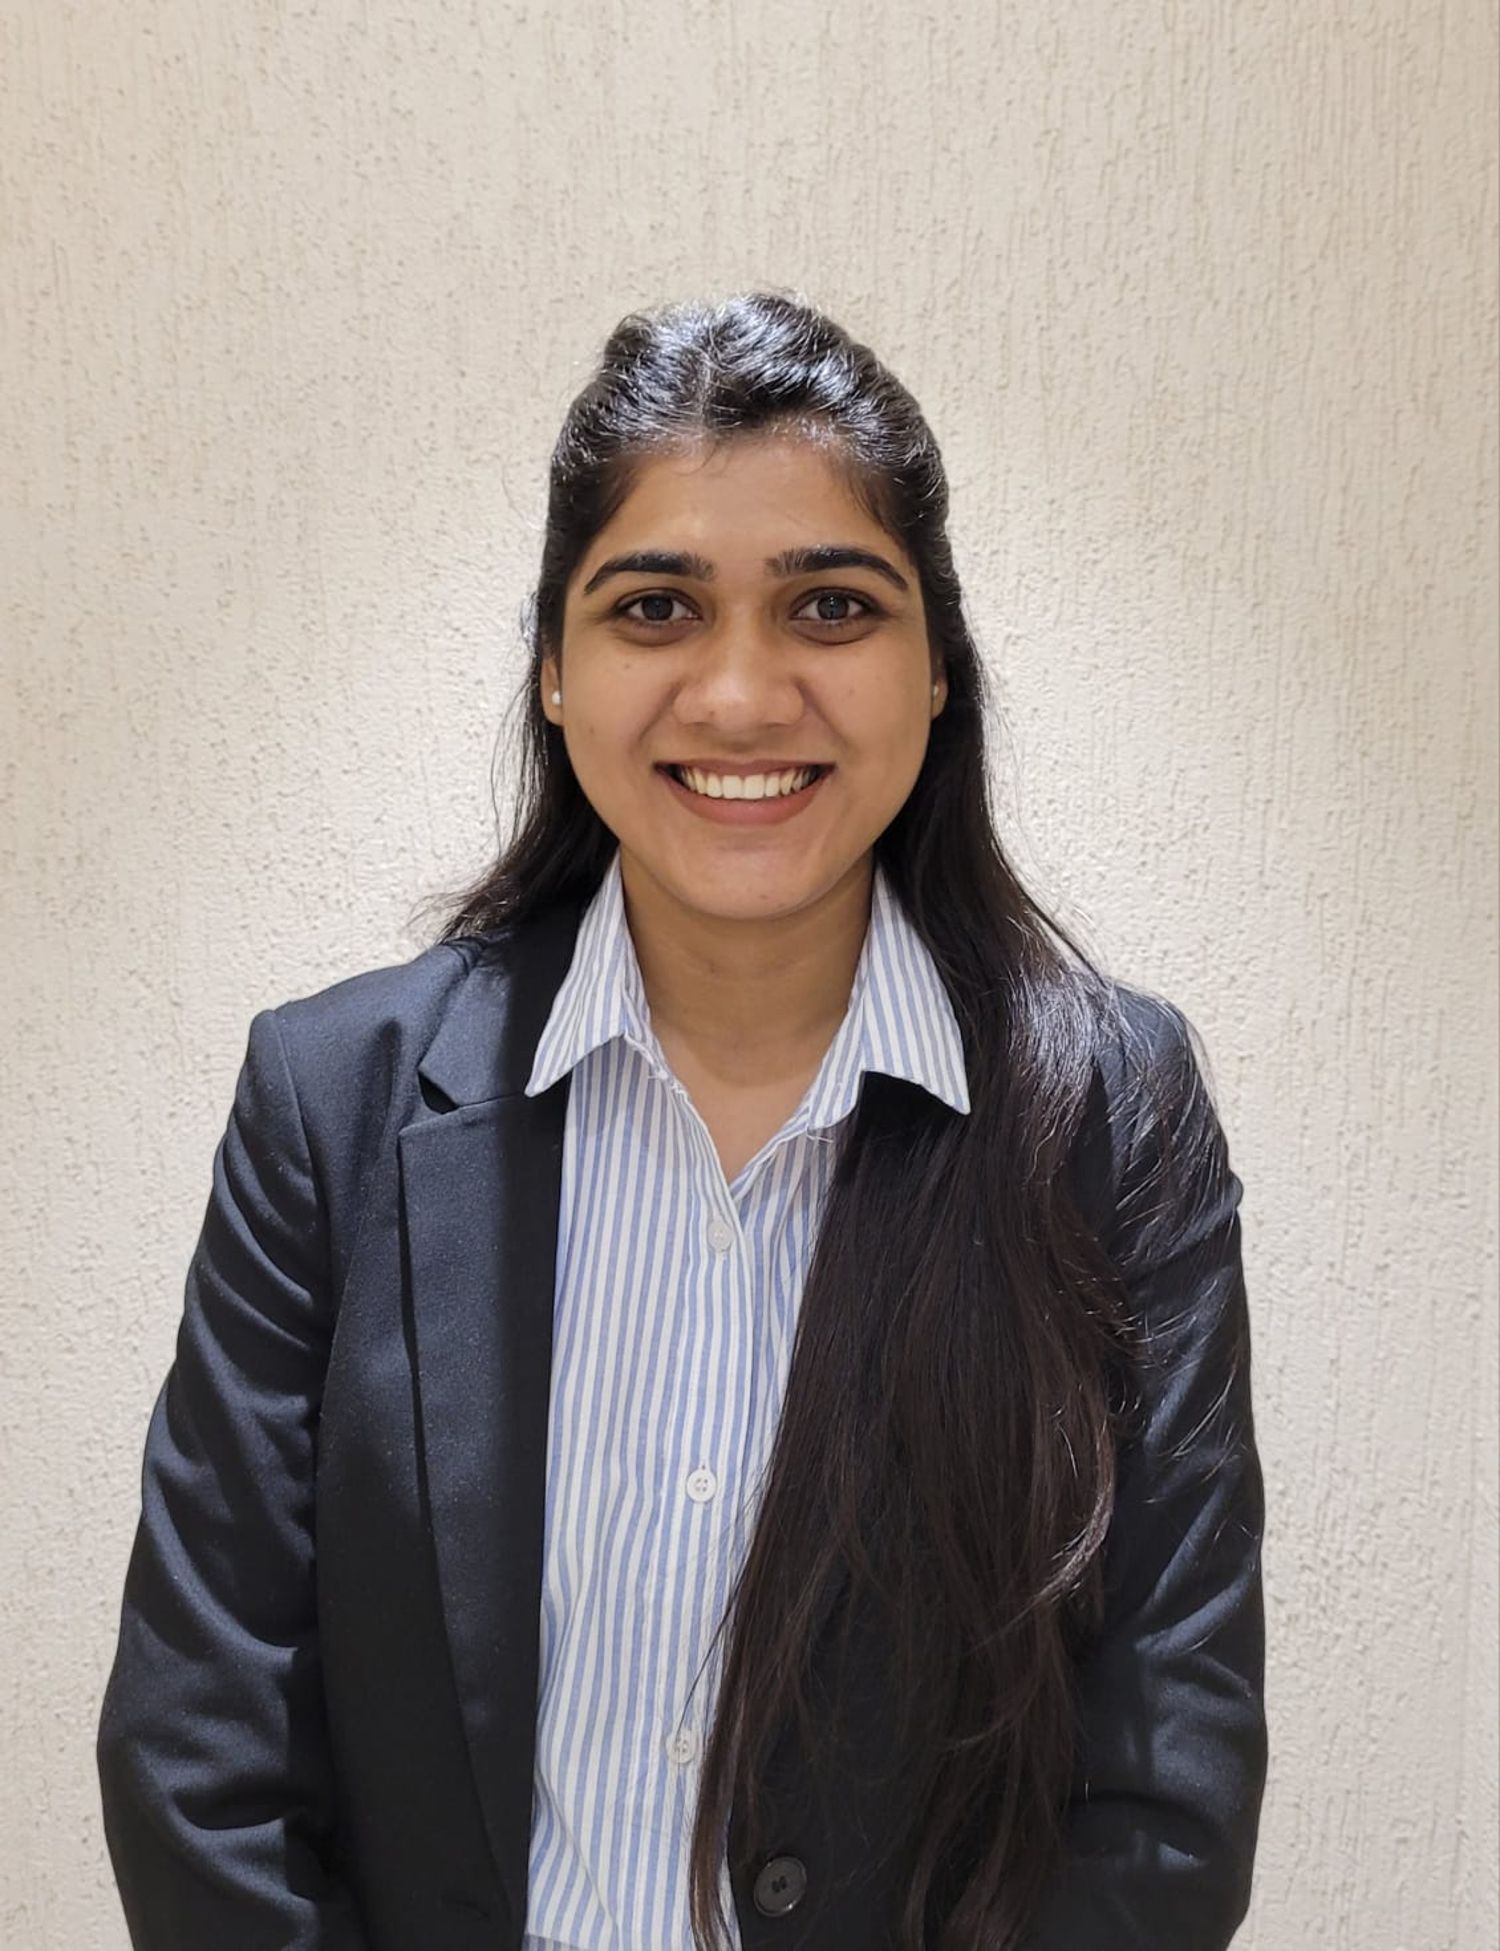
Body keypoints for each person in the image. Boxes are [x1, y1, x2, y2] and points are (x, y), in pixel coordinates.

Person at [97, 290, 1268, 1951]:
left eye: (830, 606)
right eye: (656, 607)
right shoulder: (331, 1099)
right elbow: (201, 1753)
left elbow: (1166, 1784)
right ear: (554, 669)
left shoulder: (1111, 1117)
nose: (738, 695)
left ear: (937, 668)